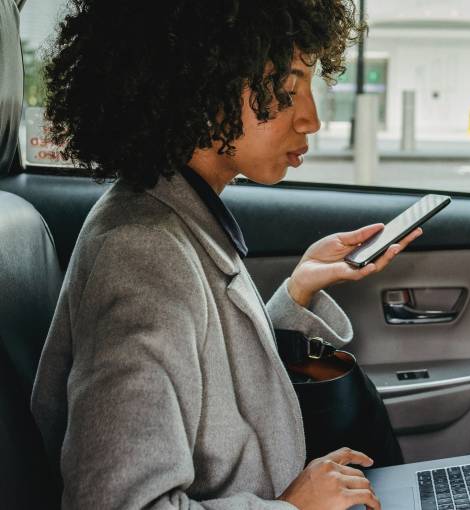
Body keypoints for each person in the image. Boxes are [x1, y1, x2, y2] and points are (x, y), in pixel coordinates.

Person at [30, 1, 422, 509]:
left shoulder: (176, 212)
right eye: (286, 90)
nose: (312, 119)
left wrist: (298, 289)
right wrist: (292, 508)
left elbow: (209, 369)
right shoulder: (141, 253)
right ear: (198, 86)